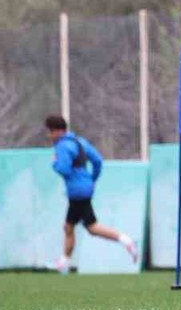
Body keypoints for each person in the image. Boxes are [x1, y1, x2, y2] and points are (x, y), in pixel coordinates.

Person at [45, 115, 137, 273]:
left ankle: (126, 240)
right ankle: (64, 262)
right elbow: (98, 161)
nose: (49, 136)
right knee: (70, 226)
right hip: (85, 188)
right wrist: (92, 179)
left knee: (90, 227)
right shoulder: (79, 142)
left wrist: (54, 163)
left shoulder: (62, 146)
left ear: (57, 131)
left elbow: (64, 169)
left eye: (49, 132)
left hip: (76, 191)